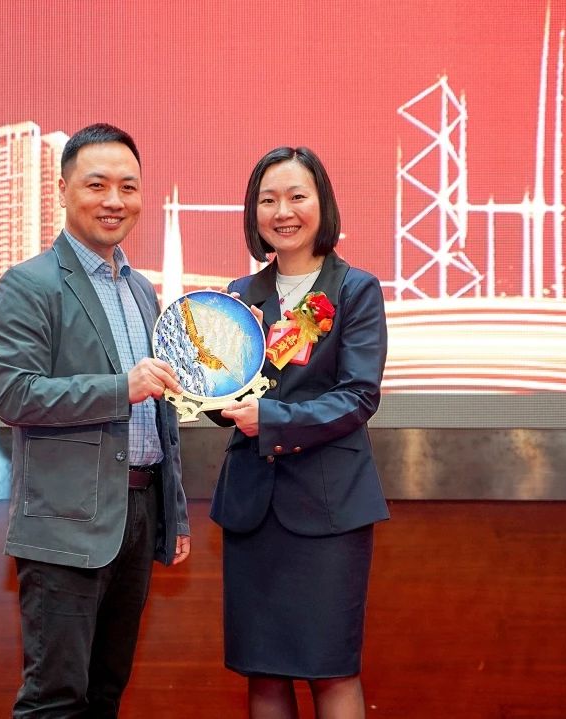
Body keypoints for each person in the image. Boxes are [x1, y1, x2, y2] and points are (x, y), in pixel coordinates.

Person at [0, 123, 191, 718]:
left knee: (105, 696)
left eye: (129, 186)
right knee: (54, 701)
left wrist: (173, 511)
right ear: (63, 189)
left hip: (138, 513)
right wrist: (122, 387)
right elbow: (15, 396)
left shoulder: (142, 291)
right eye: (97, 185)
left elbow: (160, 413)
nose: (114, 200)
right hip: (66, 523)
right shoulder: (29, 284)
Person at [211, 146, 389, 719]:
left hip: (328, 511)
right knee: (263, 672)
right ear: (253, 212)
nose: (282, 212)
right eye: (268, 200)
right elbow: (226, 396)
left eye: (296, 197)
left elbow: (358, 396)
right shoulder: (239, 295)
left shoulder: (355, 289)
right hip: (252, 510)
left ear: (322, 204)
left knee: (331, 670)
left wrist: (273, 420)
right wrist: (198, 385)